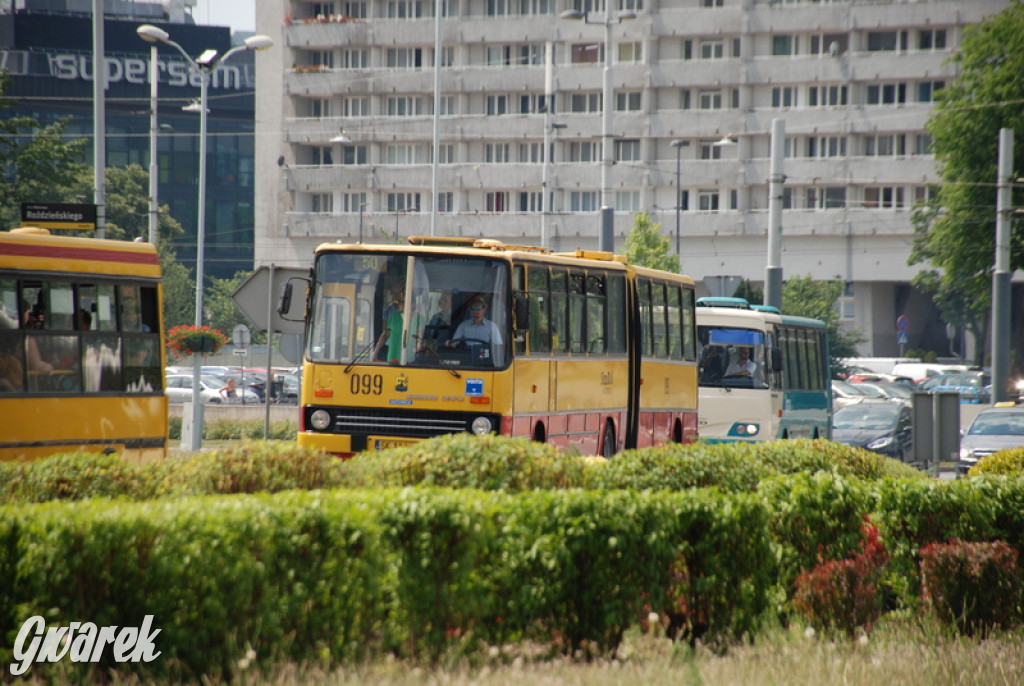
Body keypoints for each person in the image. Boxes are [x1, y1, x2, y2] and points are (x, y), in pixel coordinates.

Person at [446, 296, 503, 362]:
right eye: (473, 308)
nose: (475, 310)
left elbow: (498, 347)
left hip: (484, 354)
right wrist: (449, 344)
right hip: (467, 354)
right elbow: (454, 342)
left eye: (478, 308)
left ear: (485, 309)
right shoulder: (463, 325)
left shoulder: (492, 326)